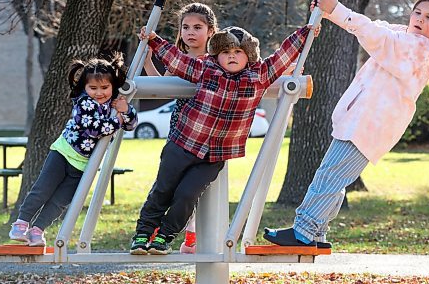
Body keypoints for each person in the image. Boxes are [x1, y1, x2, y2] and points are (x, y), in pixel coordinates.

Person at [264, 0, 429, 250]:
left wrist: (337, 9)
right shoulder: (405, 37)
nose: (420, 19)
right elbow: (375, 27)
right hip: (359, 121)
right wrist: (329, 12)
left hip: (368, 125)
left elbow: (377, 36)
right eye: (417, 13)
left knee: (329, 175)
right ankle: (316, 234)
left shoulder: (420, 50)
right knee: (335, 177)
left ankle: (303, 232)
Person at [130, 21, 316, 255]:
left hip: (214, 156)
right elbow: (176, 59)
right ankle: (143, 234)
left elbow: (282, 56)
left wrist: (305, 32)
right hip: (183, 143)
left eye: (238, 52)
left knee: (187, 195)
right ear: (216, 55)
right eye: (226, 52)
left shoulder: (258, 76)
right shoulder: (204, 69)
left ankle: (164, 236)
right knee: (163, 189)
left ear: (248, 56)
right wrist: (154, 40)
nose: (232, 56)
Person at [9, 53, 138, 247]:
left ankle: (37, 230)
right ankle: (21, 223)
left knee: (61, 201)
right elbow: (95, 129)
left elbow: (132, 124)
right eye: (93, 88)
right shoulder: (83, 103)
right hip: (64, 153)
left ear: (113, 86)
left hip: (84, 165)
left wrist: (126, 109)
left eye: (105, 87)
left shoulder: (114, 105)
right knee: (43, 189)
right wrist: (118, 120)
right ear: (85, 88)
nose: (99, 92)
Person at [143, 2, 218, 254]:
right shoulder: (179, 59)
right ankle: (153, 230)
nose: (190, 32)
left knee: (191, 190)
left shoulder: (216, 61)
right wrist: (147, 61)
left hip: (207, 135)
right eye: (185, 27)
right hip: (180, 133)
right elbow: (162, 88)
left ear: (210, 31)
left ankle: (191, 237)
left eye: (198, 27)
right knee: (169, 185)